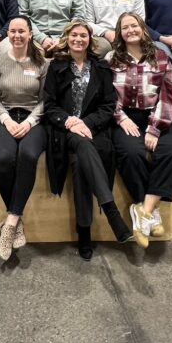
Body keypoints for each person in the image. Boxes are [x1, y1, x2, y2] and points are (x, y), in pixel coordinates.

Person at [44, 20, 133, 260]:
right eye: (74, 35)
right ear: (67, 38)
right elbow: (50, 105)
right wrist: (70, 121)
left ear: (89, 40)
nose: (78, 39)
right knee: (80, 145)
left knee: (81, 163)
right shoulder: (57, 66)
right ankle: (111, 210)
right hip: (64, 131)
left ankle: (85, 232)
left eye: (83, 35)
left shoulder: (101, 68)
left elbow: (107, 105)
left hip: (94, 130)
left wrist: (87, 123)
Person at [108, 12, 172, 249]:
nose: (130, 30)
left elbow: (168, 95)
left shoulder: (161, 56)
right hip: (125, 117)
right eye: (125, 27)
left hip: (156, 115)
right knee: (131, 153)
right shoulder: (112, 59)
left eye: (134, 25)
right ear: (120, 33)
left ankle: (144, 210)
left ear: (142, 28)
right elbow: (107, 95)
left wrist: (155, 129)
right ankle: (150, 210)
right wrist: (120, 118)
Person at [0, 16, 49, 261]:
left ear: (30, 34)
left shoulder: (42, 63)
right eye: (12, 31)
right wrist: (6, 120)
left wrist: (28, 122)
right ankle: (16, 219)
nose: (16, 35)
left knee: (27, 154)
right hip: (4, 118)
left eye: (21, 31)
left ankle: (10, 223)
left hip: (33, 119)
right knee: (4, 158)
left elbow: (46, 100)